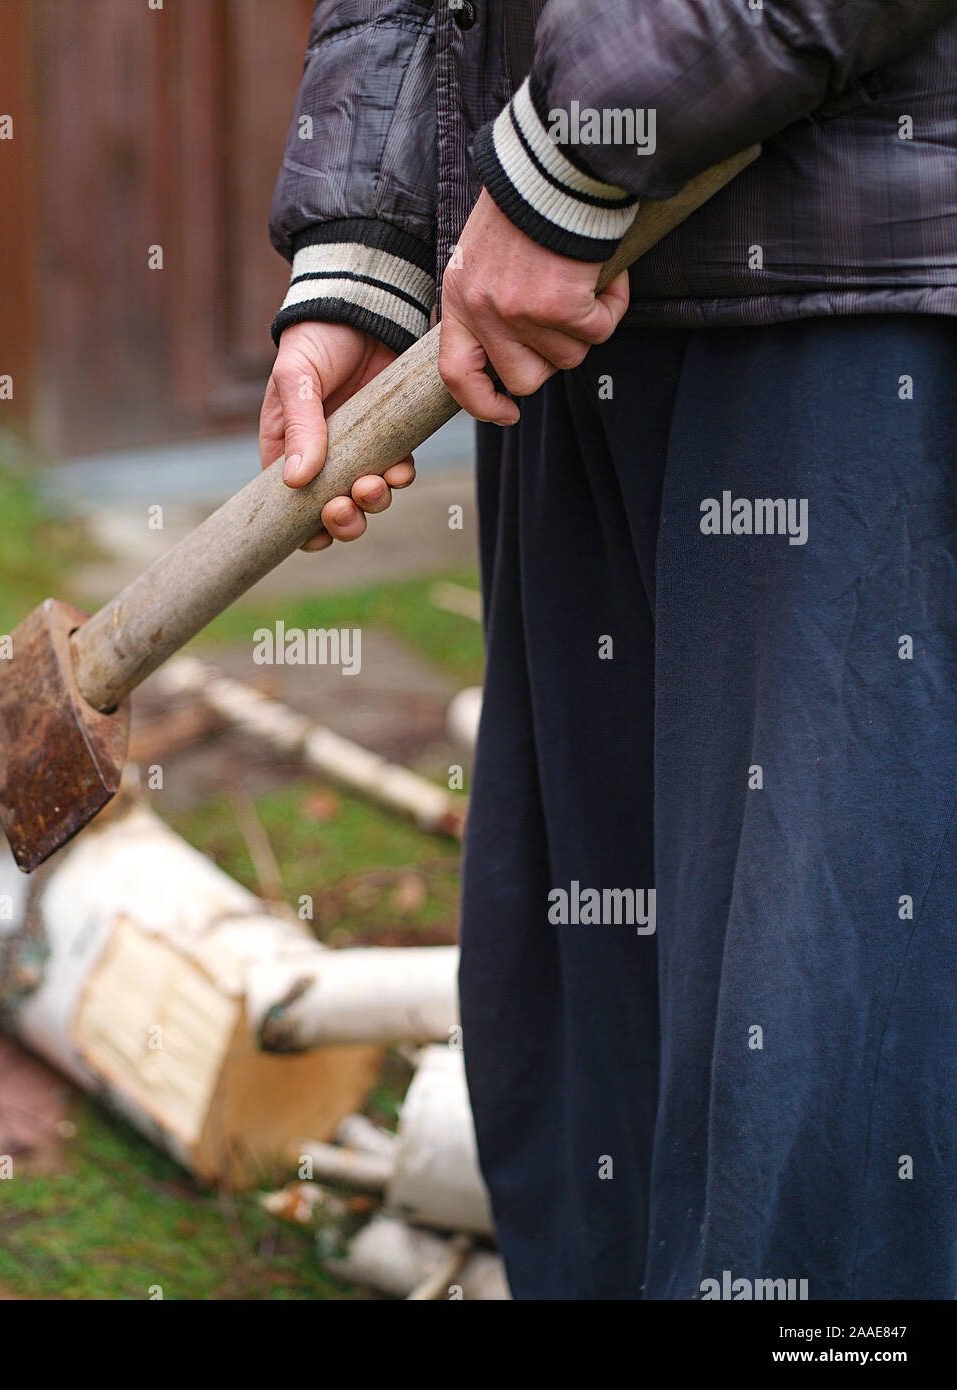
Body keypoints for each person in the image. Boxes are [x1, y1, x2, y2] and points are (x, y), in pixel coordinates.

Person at [261, 0, 957, 1299]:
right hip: (569, 310)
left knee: (820, 1078)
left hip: (845, 292)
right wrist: (366, 252)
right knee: (582, 1049)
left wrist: (572, 154)